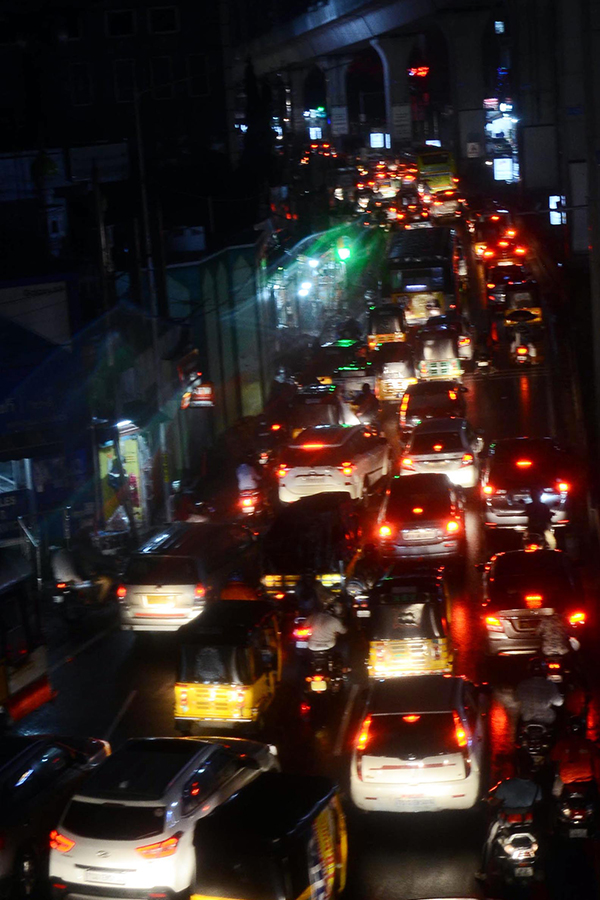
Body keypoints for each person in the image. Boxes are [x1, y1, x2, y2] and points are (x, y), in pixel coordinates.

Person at [476, 761, 543, 881]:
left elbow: (494, 802)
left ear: (517, 769)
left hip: (506, 822)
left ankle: (483, 871)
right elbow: (538, 802)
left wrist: (487, 799)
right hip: (527, 823)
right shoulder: (536, 787)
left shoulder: (506, 785)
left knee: (490, 840)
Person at [550, 717, 600, 798]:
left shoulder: (562, 743)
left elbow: (554, 758)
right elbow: (596, 757)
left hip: (566, 777)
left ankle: (555, 799)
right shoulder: (589, 744)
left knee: (555, 793)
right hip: (587, 777)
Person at [516, 657, 564, 726]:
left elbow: (516, 699)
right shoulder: (550, 685)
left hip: (526, 718)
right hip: (546, 719)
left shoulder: (522, 684)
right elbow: (559, 702)